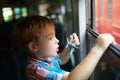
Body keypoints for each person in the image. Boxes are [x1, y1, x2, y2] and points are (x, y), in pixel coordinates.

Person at [13, 15, 115, 80]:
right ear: (34, 47)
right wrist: (98, 48)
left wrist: (70, 46)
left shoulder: (43, 58)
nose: (57, 41)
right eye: (50, 38)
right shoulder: (38, 70)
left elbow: (61, 59)